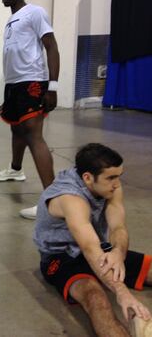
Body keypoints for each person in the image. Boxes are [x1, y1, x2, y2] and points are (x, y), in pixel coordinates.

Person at [34, 143, 152, 336]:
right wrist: (122, 293)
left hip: (98, 246)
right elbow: (89, 248)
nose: (117, 184)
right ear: (88, 178)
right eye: (111, 178)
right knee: (96, 298)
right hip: (61, 257)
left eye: (119, 176)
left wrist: (117, 253)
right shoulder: (70, 198)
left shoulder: (110, 186)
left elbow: (118, 227)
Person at [0, 0, 60, 220]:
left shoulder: (35, 12)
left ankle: (53, 202)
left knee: (33, 134)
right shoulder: (12, 18)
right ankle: (16, 170)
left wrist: (52, 87)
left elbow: (51, 47)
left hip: (32, 81)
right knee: (16, 128)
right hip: (14, 83)